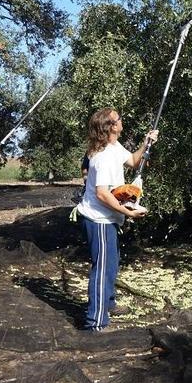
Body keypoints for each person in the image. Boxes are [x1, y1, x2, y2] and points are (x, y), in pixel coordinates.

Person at [76, 108, 158, 331]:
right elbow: (102, 194)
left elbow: (132, 160)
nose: (122, 121)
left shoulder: (113, 146)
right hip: (99, 220)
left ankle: (108, 303)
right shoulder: (102, 158)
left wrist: (146, 143)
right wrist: (128, 212)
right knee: (102, 268)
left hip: (109, 218)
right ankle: (96, 321)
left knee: (111, 263)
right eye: (119, 119)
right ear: (111, 126)